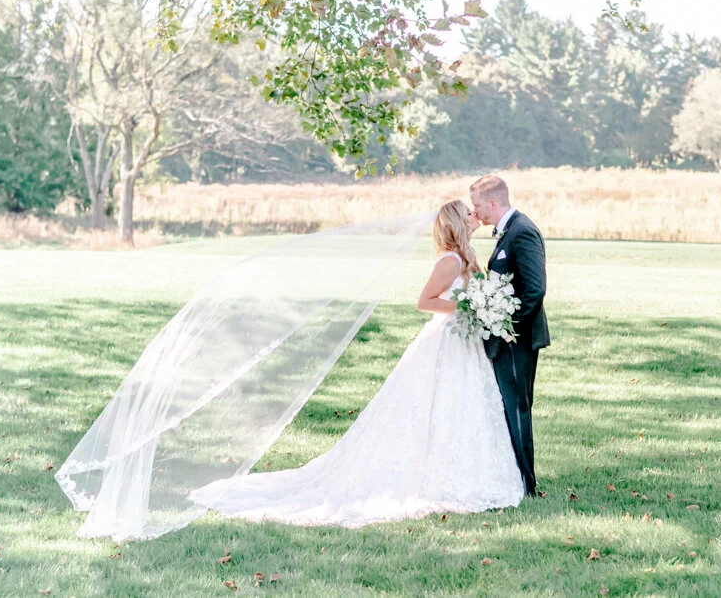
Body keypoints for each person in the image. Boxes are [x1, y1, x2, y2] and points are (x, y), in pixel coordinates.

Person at [186, 200, 524, 527]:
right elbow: (425, 301)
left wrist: (481, 307)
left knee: (460, 406)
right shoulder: (449, 261)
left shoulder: (466, 256)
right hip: (444, 343)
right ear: (457, 222)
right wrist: (467, 306)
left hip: (463, 344)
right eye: (468, 212)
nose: (474, 214)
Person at [469, 175, 550, 496]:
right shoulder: (507, 230)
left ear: (492, 202)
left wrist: (509, 329)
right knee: (508, 406)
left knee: (517, 408)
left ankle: (526, 484)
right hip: (507, 337)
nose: (475, 211)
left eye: (477, 205)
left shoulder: (522, 231)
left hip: (517, 339)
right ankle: (514, 477)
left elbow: (535, 289)